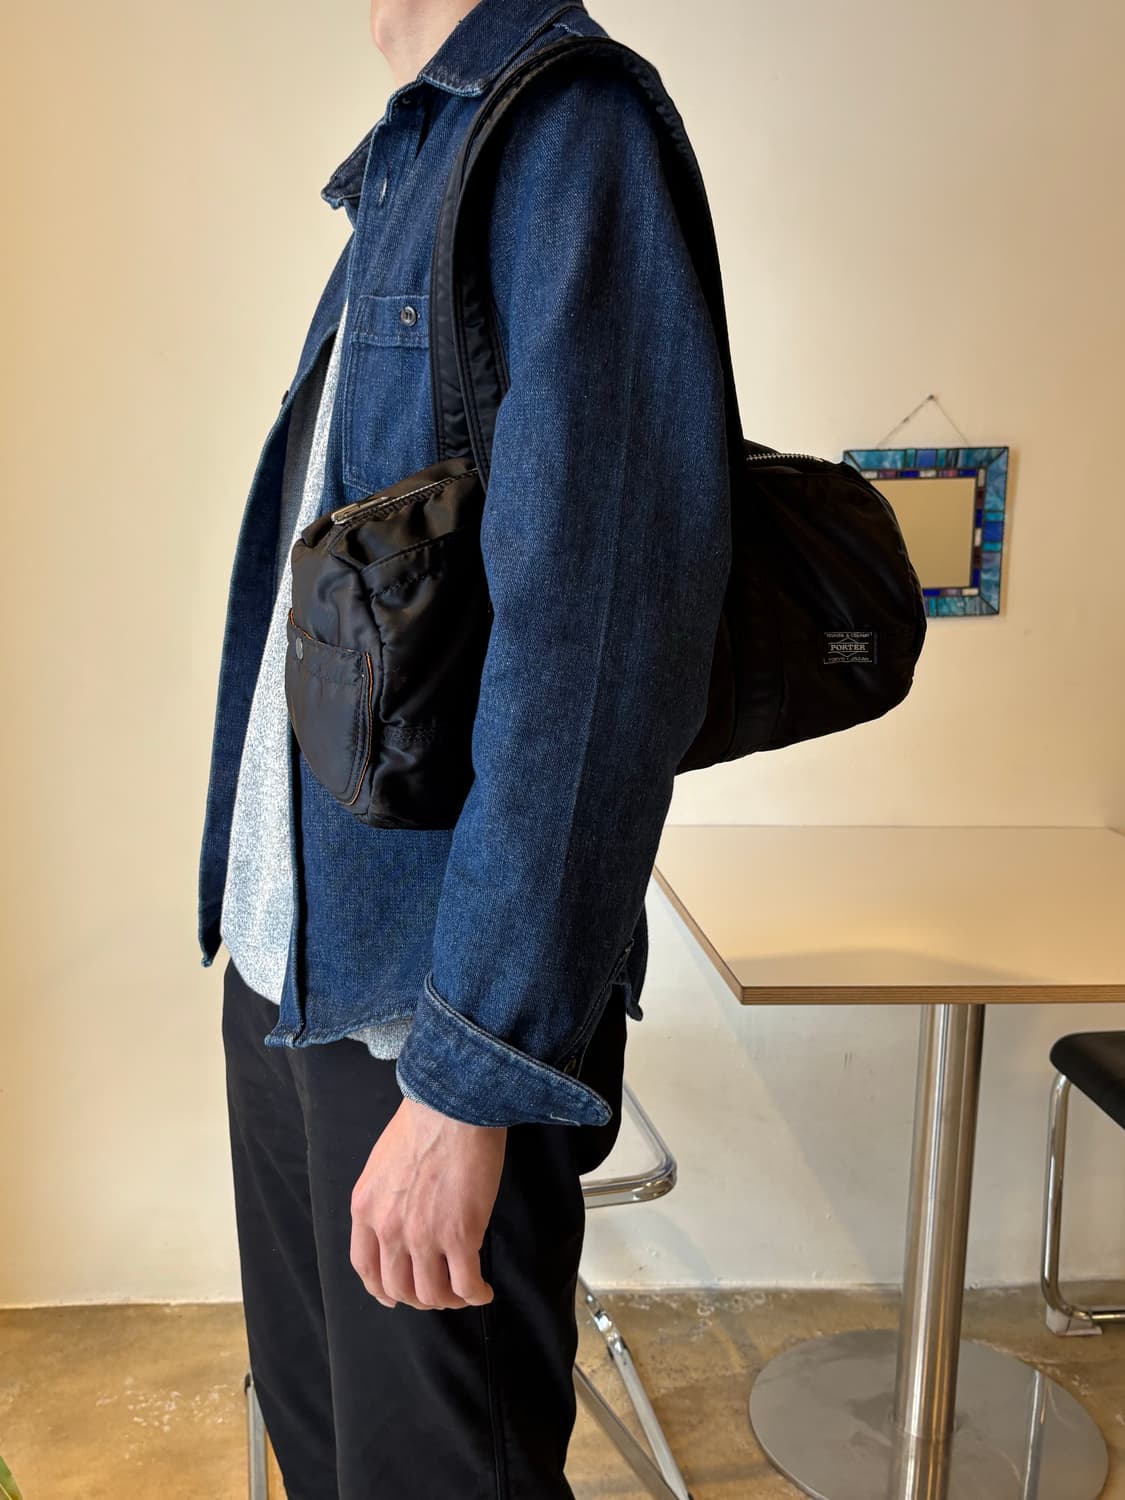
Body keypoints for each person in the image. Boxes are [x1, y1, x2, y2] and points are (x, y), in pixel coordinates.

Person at [196, 0, 731, 1493]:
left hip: (422, 1025)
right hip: (294, 974)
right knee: (328, 1458)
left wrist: (469, 1075)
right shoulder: (415, 153)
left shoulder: (567, 135)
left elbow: (595, 653)